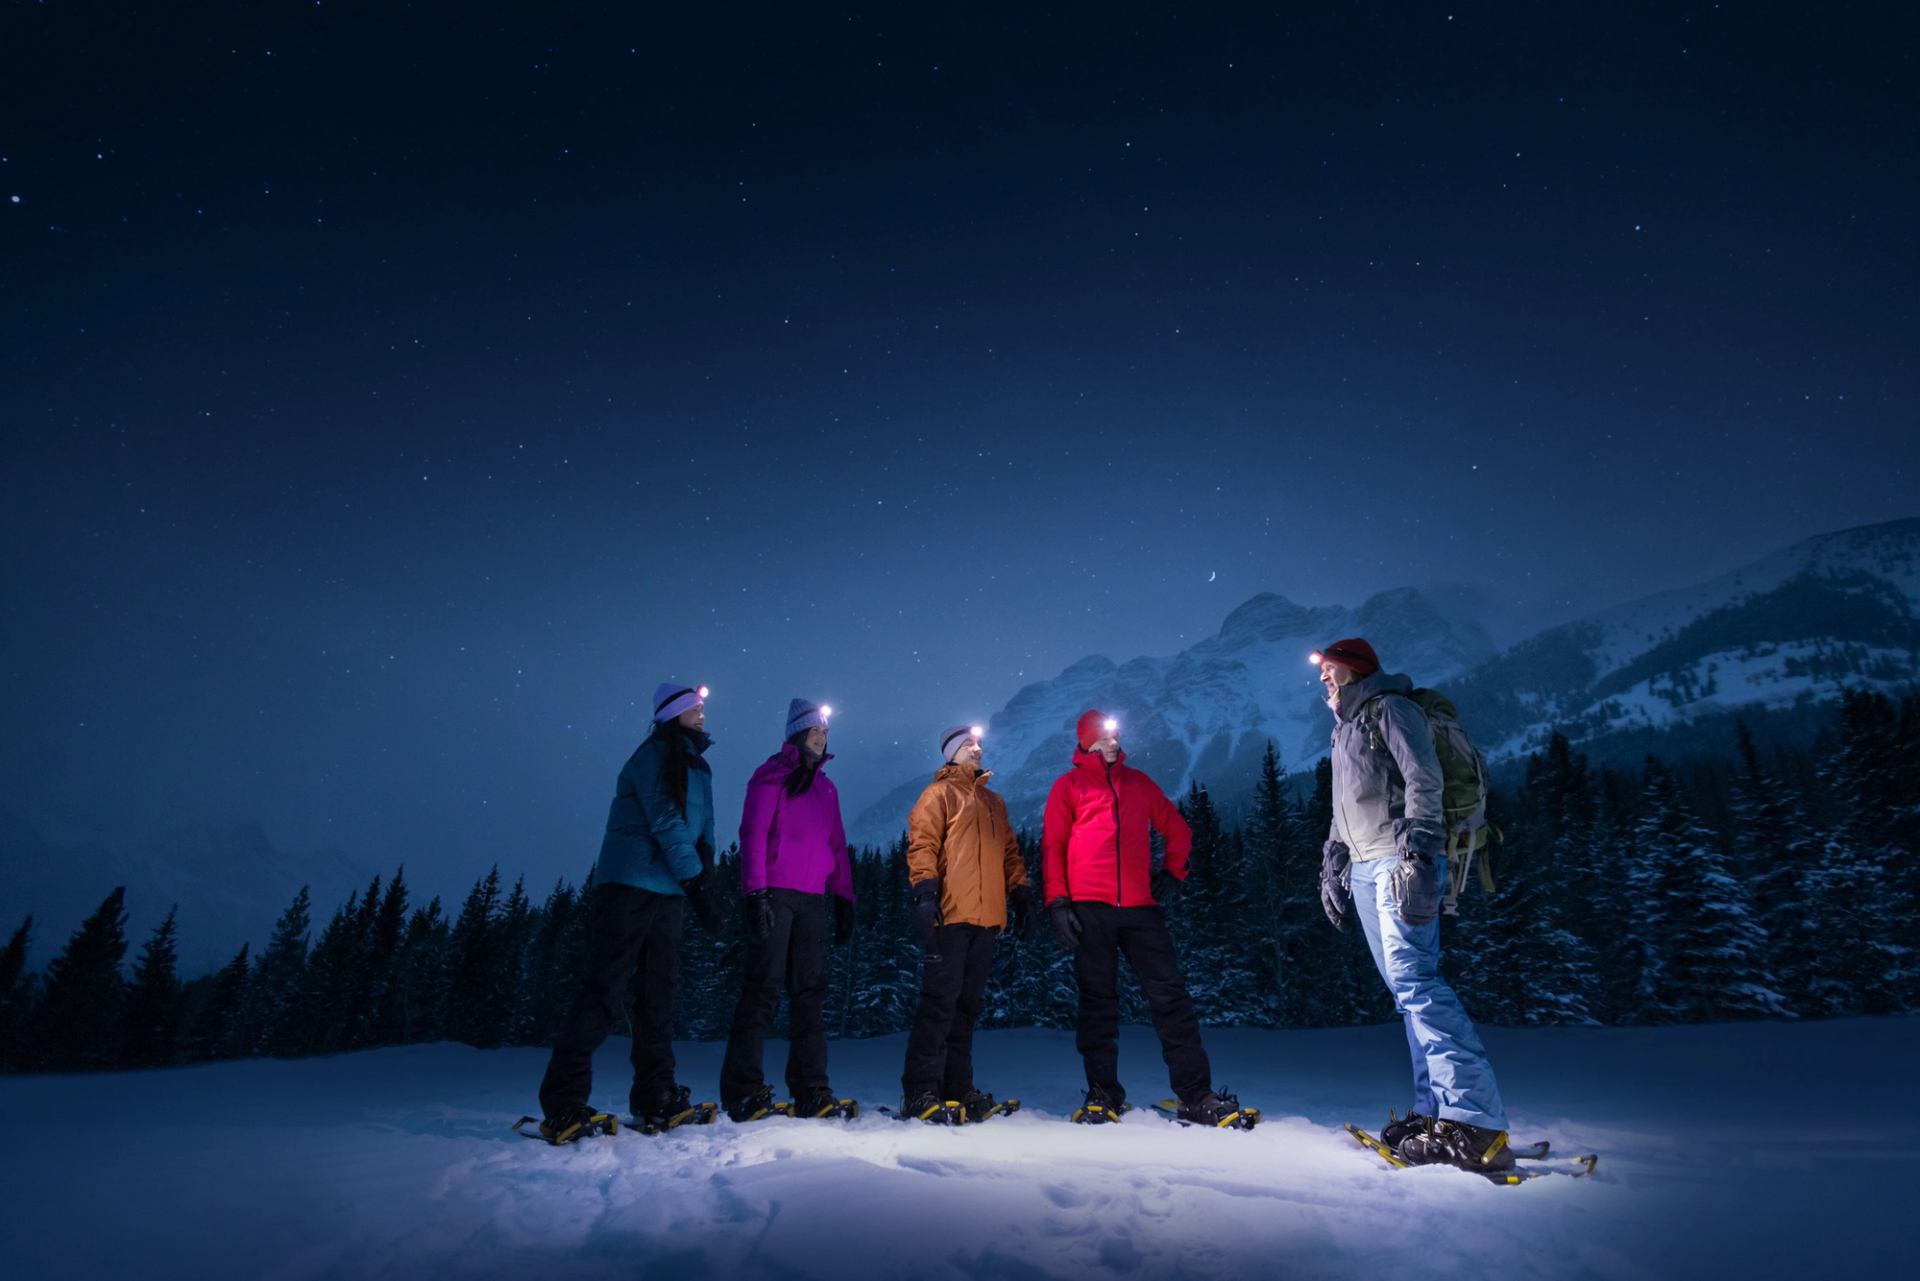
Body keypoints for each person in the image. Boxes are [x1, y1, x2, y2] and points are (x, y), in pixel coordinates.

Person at [1313, 637, 1513, 1172]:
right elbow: (1347, 802)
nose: (1323, 680)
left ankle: (1477, 1123)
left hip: (1400, 862)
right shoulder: (1345, 727)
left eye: (1330, 671)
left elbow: (1425, 777)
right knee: (1407, 993)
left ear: (1355, 671)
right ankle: (1436, 1113)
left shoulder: (1391, 708)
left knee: (1419, 984)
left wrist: (1421, 852)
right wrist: (1333, 860)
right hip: (1364, 865)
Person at [534, 681, 725, 1143]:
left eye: (702, 708)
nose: (702, 713)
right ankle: (563, 1100)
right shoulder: (651, 756)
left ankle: (656, 1094)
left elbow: (704, 828)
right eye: (694, 708)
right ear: (672, 713)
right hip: (628, 887)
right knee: (604, 990)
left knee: (658, 996)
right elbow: (665, 820)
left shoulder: (699, 765)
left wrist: (707, 871)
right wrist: (695, 878)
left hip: (668, 893)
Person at [1042, 710, 1253, 1128]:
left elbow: (1178, 829)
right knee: (1098, 1004)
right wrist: (1059, 903)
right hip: (1090, 908)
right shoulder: (1068, 787)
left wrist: (1173, 872)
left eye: (1116, 735)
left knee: (1170, 999)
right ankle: (1103, 1095)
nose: (1113, 742)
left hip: (1140, 908)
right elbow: (1053, 846)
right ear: (1086, 743)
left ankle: (1197, 1096)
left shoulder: (1138, 784)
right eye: (1103, 737)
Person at [719, 698, 859, 1121]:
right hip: (776, 894)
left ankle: (812, 1088)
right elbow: (754, 834)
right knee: (762, 989)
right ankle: (743, 1089)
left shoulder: (826, 787)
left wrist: (844, 896)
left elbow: (836, 844)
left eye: (826, 733)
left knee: (809, 995)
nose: (822, 738)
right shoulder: (771, 777)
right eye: (815, 731)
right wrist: (754, 894)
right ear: (797, 734)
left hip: (812, 900)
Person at [898, 724, 1037, 1123]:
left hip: (987, 918)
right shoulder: (938, 794)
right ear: (951, 753)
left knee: (967, 1008)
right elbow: (923, 844)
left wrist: (1022, 894)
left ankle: (957, 1086)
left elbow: (1010, 853)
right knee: (939, 1005)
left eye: (979, 744)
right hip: (950, 914)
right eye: (968, 744)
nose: (977, 749)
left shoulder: (995, 802)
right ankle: (920, 1090)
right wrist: (925, 894)